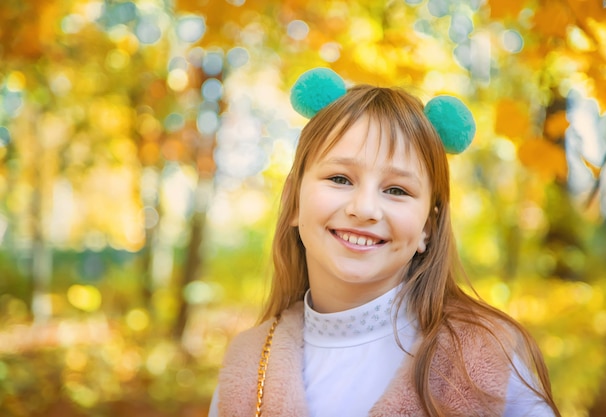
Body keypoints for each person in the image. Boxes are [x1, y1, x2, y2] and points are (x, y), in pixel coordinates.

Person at [208, 68, 560, 417]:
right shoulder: (249, 367)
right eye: (340, 178)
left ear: (428, 226)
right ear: (294, 201)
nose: (364, 209)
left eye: (396, 190)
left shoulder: (483, 360)